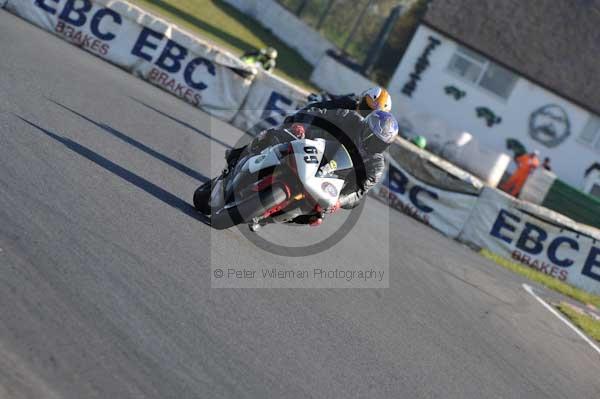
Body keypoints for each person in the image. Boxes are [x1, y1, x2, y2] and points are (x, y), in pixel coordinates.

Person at [227, 108, 398, 226]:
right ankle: (240, 157)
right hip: (312, 146)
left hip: (330, 178)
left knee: (316, 216)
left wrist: (340, 201)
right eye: (371, 137)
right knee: (274, 136)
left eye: (379, 144)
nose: (372, 144)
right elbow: (319, 114)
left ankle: (266, 218)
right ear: (366, 126)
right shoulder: (349, 117)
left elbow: (358, 192)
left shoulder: (376, 165)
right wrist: (303, 126)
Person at [225, 87, 393, 170]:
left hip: (330, 151)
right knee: (277, 135)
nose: (365, 113)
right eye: (365, 106)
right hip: (312, 131)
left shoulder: (371, 136)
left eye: (371, 112)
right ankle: (239, 154)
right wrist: (300, 124)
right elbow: (317, 108)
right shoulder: (346, 104)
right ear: (361, 99)